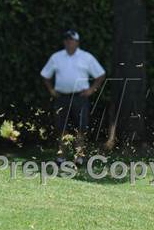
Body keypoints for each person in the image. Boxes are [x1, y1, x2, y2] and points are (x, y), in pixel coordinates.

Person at [41, 30, 106, 164]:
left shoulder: (86, 57)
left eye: (71, 40)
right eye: (66, 40)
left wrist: (91, 90)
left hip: (80, 98)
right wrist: (51, 90)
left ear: (77, 42)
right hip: (61, 97)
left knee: (81, 128)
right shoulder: (56, 57)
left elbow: (100, 74)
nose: (68, 42)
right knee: (61, 127)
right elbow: (45, 74)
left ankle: (79, 157)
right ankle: (61, 157)